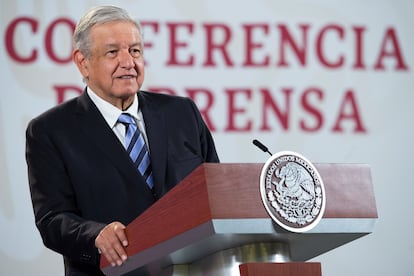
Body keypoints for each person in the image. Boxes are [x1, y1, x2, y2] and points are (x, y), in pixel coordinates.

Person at [25, 5, 219, 275]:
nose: (128, 62)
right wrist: (96, 235)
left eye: (135, 50)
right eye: (113, 52)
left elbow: (215, 191)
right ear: (83, 62)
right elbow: (52, 219)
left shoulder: (182, 113)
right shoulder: (50, 131)